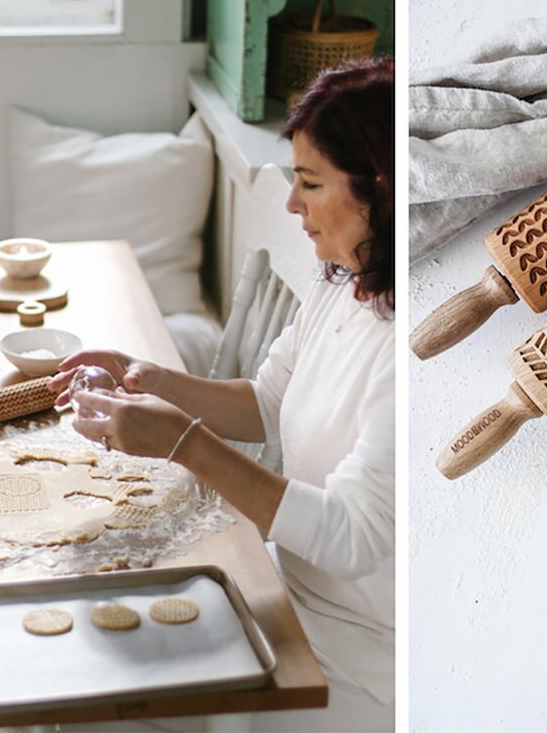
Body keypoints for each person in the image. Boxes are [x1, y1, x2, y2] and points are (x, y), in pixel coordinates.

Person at [50, 58, 395, 732]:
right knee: (77, 661)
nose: (294, 205)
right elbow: (265, 400)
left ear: (376, 187)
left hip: (349, 661)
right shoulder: (340, 283)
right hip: (274, 586)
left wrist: (186, 444)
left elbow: (353, 537)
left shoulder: (401, 349)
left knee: (92, 700)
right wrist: (140, 372)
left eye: (311, 183)